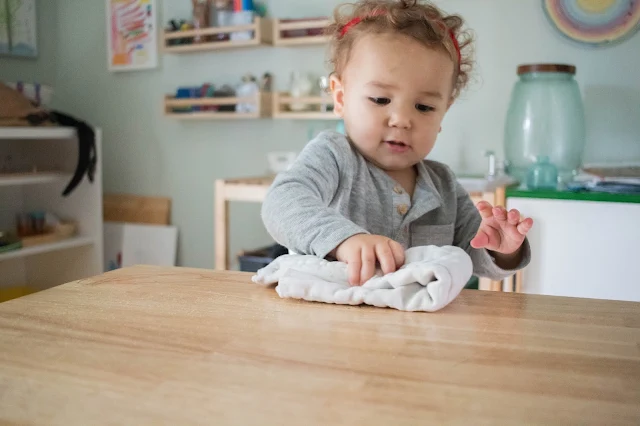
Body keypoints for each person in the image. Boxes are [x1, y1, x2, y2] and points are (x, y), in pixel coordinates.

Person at [261, 0, 533, 286]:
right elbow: (282, 203)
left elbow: (472, 253)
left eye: (424, 107)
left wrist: (500, 249)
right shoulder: (334, 156)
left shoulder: (443, 184)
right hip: (336, 321)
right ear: (340, 98)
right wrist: (345, 239)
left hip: (419, 326)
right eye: (381, 100)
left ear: (444, 113)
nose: (402, 120)